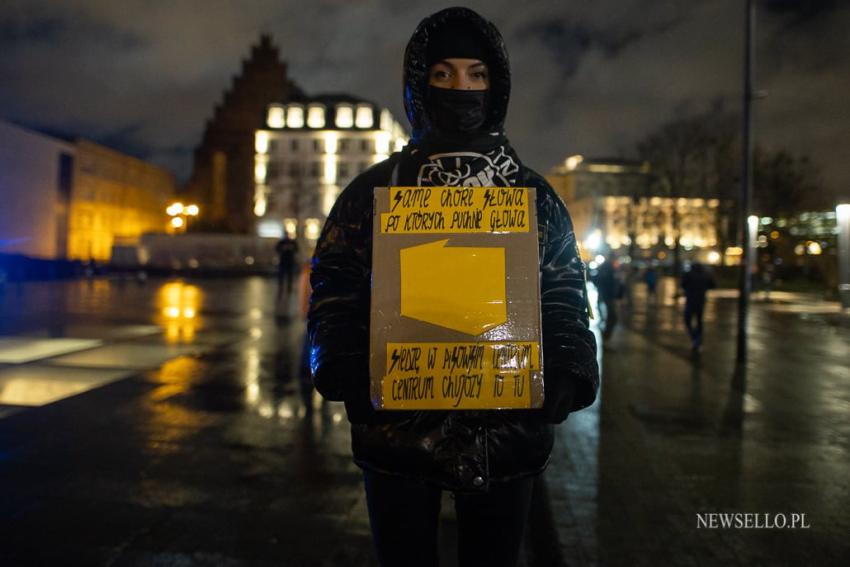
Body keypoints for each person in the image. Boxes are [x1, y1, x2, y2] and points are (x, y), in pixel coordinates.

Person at [308, 8, 599, 567]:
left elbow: (562, 286)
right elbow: (335, 279)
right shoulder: (372, 190)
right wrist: (338, 355)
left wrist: (568, 363)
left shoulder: (534, 193)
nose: (460, 88)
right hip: (396, 428)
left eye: (476, 74)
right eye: (443, 74)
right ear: (420, 84)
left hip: (508, 428)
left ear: (496, 85)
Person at [681, 261, 716, 352]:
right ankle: (698, 339)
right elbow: (712, 285)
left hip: (690, 300)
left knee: (687, 320)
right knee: (699, 321)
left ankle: (695, 337)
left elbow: (683, 285)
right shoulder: (705, 275)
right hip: (701, 301)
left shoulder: (689, 274)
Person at [275, 234, 298, 299]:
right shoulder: (281, 242)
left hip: (290, 261)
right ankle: (281, 286)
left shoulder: (292, 242)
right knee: (281, 275)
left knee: (290, 275)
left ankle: (289, 287)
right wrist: (283, 248)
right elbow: (277, 249)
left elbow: (296, 249)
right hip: (283, 261)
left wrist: (291, 248)